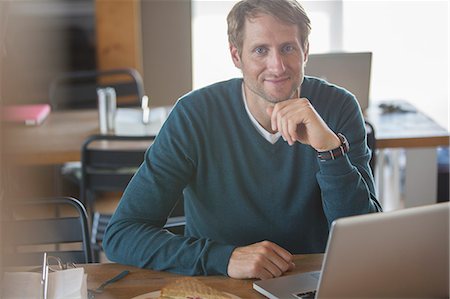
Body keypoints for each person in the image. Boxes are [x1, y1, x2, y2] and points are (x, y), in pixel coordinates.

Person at [103, 0, 382, 280]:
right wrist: (224, 259)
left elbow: (365, 240)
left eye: (288, 48)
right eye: (261, 50)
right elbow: (122, 234)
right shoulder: (195, 114)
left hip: (315, 283)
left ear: (305, 51)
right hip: (220, 286)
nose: (278, 66)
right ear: (236, 56)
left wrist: (330, 150)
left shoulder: (340, 107)